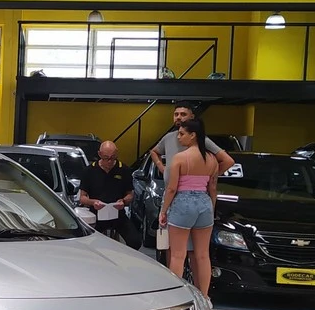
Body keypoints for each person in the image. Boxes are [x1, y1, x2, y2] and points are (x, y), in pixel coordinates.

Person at [148, 101, 235, 261]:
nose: (179, 118)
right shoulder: (168, 138)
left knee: (191, 250)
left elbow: (228, 161)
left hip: (186, 197)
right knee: (171, 246)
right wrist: (162, 167)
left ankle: (189, 277)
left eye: (183, 114)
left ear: (192, 117)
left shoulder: (201, 141)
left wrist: (209, 175)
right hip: (172, 196)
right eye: (176, 114)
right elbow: (154, 151)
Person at [158, 118, 221, 295]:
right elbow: (213, 188)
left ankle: (176, 295)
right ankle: (205, 296)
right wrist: (211, 208)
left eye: (181, 134)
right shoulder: (212, 159)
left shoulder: (180, 158)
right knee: (203, 254)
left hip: (182, 203)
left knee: (178, 254)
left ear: (193, 135)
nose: (178, 137)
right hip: (205, 203)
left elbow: (171, 188)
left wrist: (164, 211)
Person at [78, 140, 142, 249]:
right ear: (99, 154)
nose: (109, 161)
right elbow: (82, 198)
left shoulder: (124, 170)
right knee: (86, 242)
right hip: (96, 215)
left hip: (117, 214)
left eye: (113, 158)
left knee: (135, 241)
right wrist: (93, 202)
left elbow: (130, 194)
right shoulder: (89, 171)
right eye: (106, 158)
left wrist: (123, 201)